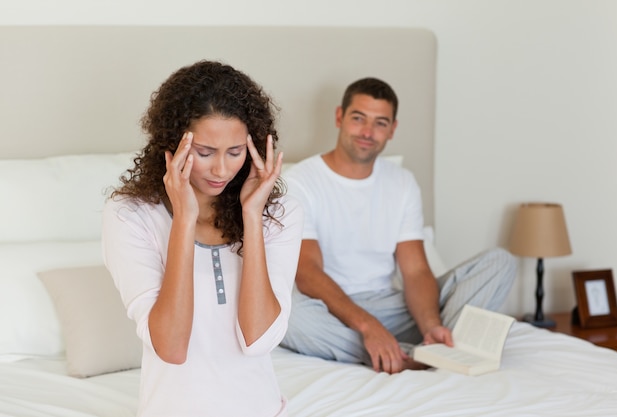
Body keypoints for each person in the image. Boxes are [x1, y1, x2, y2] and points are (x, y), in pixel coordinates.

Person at [102, 60, 303, 417]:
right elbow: (172, 346)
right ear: (173, 144)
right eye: (205, 152)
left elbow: (258, 340)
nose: (222, 170)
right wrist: (184, 219)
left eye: (236, 152)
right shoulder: (131, 215)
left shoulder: (279, 213)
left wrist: (252, 218)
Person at [280, 77, 516, 374]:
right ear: (339, 117)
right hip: (332, 309)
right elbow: (308, 274)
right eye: (358, 119)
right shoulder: (300, 181)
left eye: (380, 123)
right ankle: (407, 354)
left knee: (500, 262)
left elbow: (416, 270)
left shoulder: (402, 183)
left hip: (395, 307)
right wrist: (368, 327)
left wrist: (430, 324)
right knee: (290, 318)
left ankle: (434, 343)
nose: (368, 132)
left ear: (392, 129)